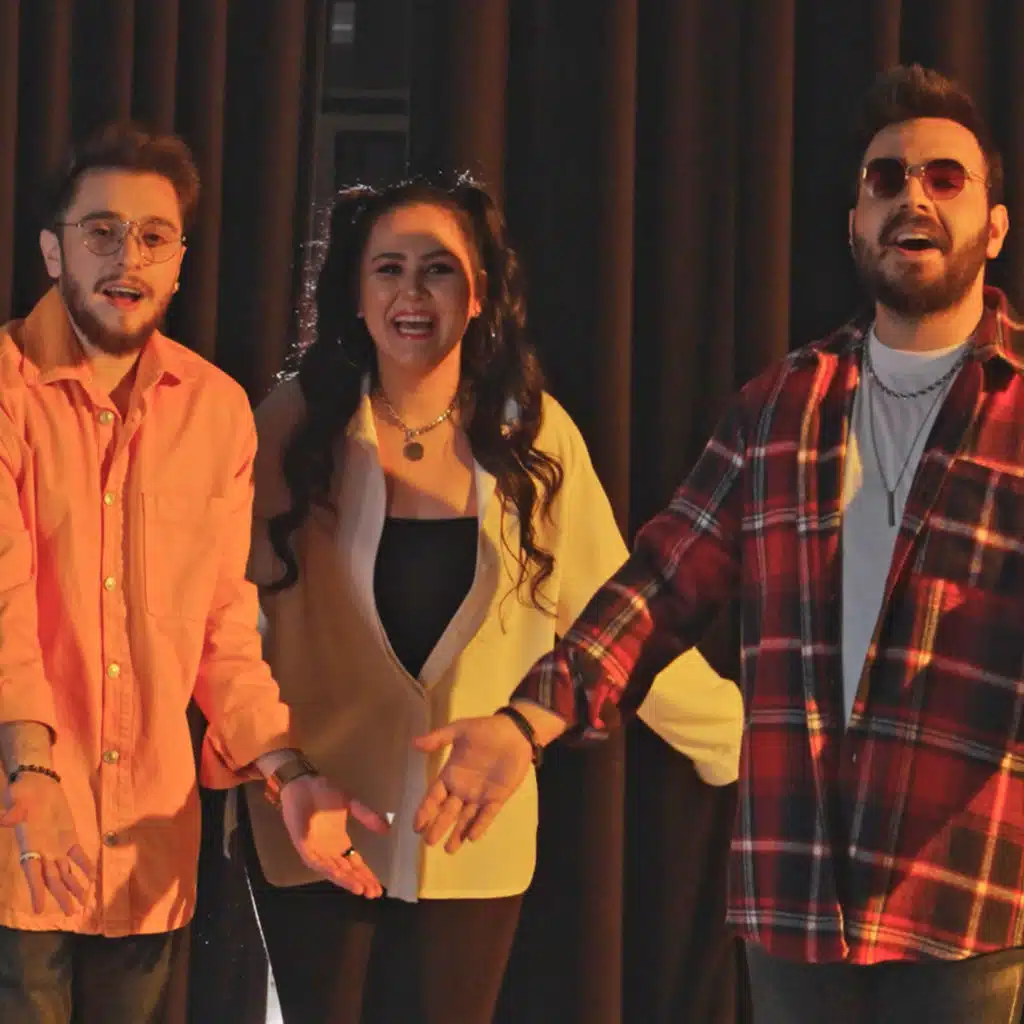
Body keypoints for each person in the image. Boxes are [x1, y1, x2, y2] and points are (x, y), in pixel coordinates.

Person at [413, 65, 1024, 1024]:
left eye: (945, 178)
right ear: (855, 225)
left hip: (961, 889)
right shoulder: (783, 404)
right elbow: (660, 583)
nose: (913, 196)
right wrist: (527, 721)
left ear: (994, 225)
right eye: (886, 179)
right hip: (795, 898)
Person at [241, 175, 742, 1024]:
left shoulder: (532, 434)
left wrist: (744, 742)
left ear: (477, 296)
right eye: (388, 269)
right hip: (318, 827)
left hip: (470, 838)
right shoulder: (291, 424)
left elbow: (614, 620)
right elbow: (225, 624)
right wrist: (276, 767)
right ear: (356, 294)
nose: (412, 293)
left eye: (438, 270)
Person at [0, 121, 386, 1023]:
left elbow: (221, 625)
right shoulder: (7, 390)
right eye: (101, 231)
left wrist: (287, 771)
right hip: (20, 831)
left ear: (178, 264)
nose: (126, 258)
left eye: (153, 236)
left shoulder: (215, 411)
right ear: (54, 251)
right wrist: (31, 769)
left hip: (146, 847)